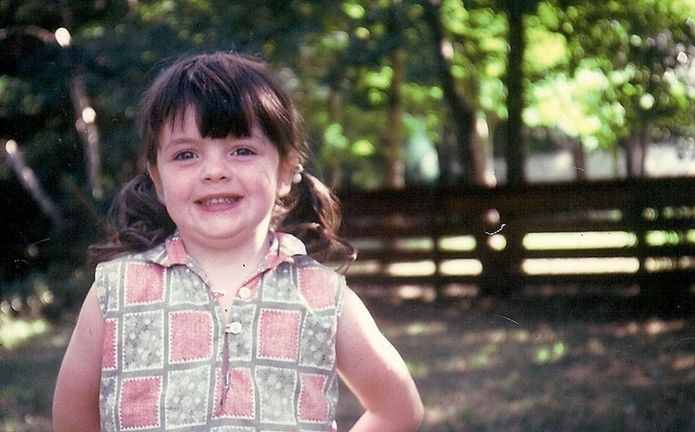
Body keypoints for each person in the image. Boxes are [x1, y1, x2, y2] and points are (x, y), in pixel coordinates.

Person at [52, 52, 423, 432]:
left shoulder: (323, 295)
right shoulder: (116, 293)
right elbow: (71, 418)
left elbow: (397, 408)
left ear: (285, 170)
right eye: (186, 154)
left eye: (242, 150)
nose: (214, 171)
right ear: (158, 179)